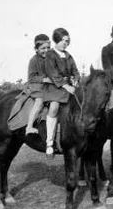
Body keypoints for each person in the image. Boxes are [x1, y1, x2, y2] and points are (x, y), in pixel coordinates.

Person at [44, 28, 80, 159]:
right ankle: (49, 143)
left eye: (67, 41)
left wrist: (75, 81)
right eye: (63, 40)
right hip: (54, 87)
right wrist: (65, 86)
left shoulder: (69, 56)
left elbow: (75, 71)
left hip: (69, 87)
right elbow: (52, 74)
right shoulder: (50, 55)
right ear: (56, 40)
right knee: (54, 107)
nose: (65, 43)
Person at [25, 34, 52, 135]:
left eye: (48, 48)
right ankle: (29, 126)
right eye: (43, 48)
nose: (46, 50)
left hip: (49, 86)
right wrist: (45, 79)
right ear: (36, 49)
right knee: (39, 101)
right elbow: (31, 77)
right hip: (37, 86)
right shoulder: (33, 60)